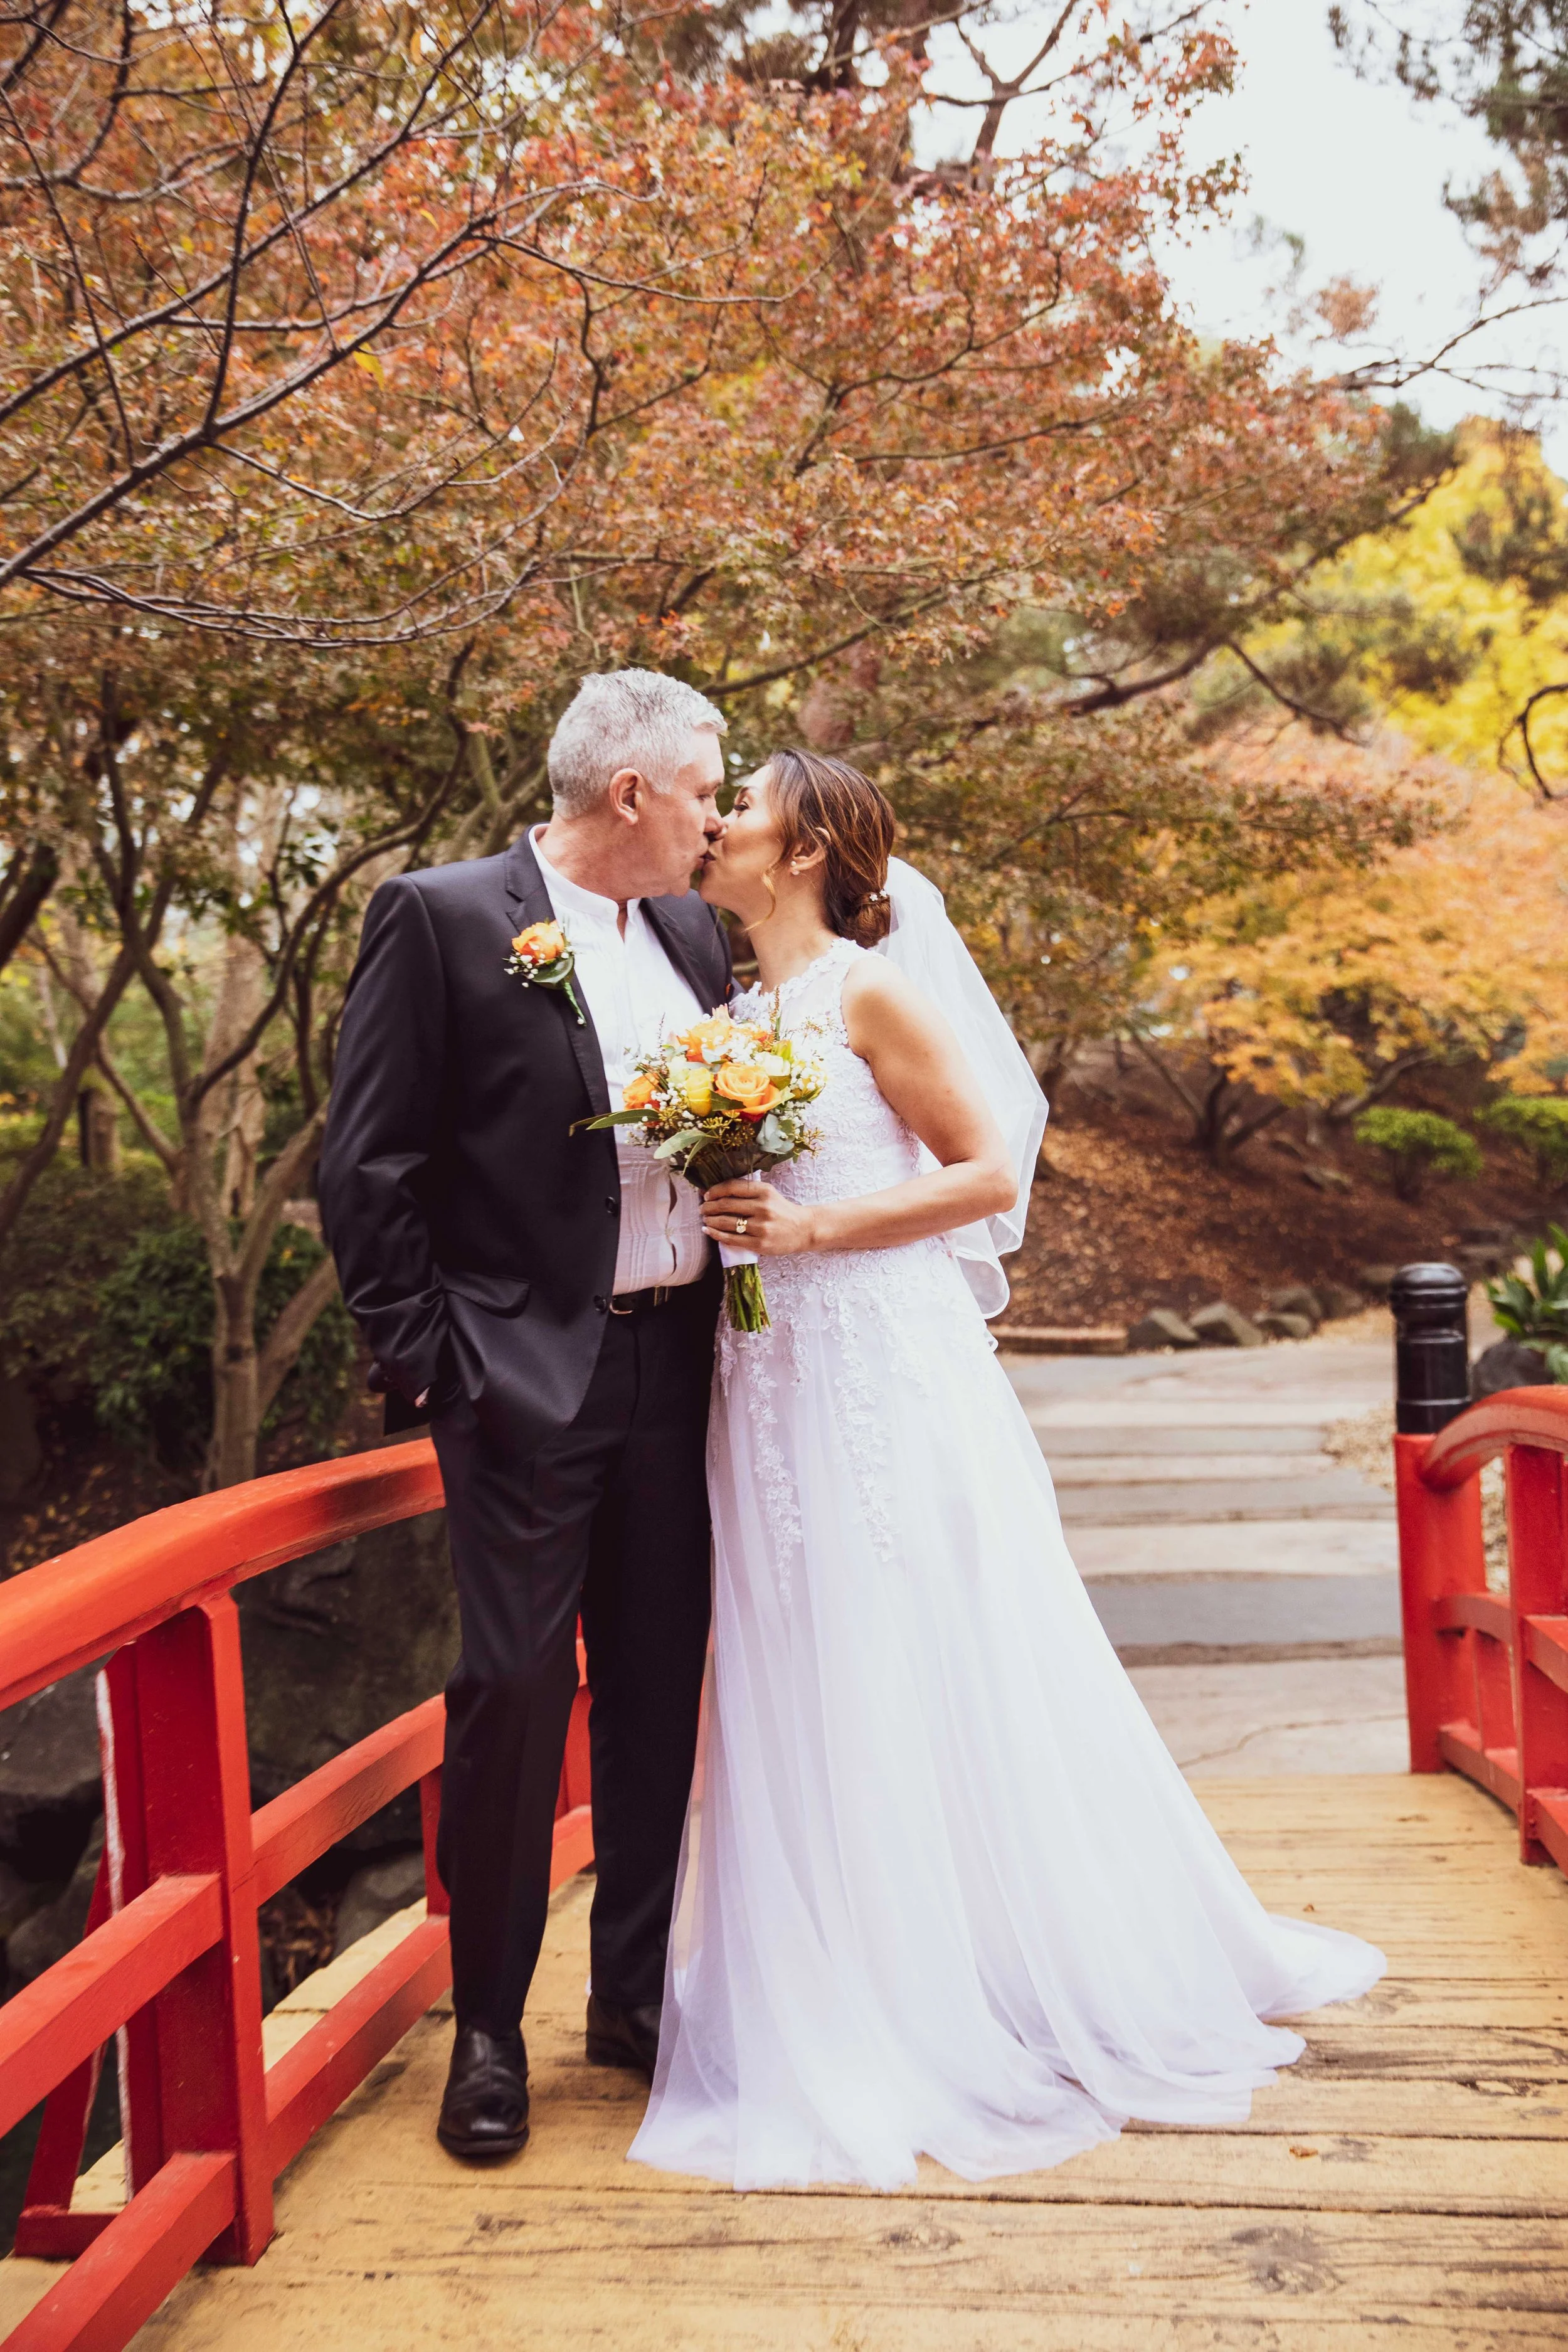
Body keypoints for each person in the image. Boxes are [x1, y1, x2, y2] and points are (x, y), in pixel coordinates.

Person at [629, 746, 1384, 2190]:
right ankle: (853, 1970)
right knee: (805, 1657)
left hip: (882, 1371)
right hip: (768, 1376)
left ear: (801, 853)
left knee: (924, 1642)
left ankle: (988, 1981)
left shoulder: (871, 991)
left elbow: (988, 1174)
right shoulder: (729, 1011)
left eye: (744, 810)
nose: (717, 824)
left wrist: (807, 1235)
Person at [318, 669, 733, 2161]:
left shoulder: (691, 932)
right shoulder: (438, 916)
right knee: (509, 1691)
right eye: (703, 788)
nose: (716, 814)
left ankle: (628, 2004)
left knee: (654, 1685)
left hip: (681, 1368)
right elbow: (367, 1168)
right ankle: (486, 2032)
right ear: (630, 796)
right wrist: (431, 1362)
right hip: (518, 1383)